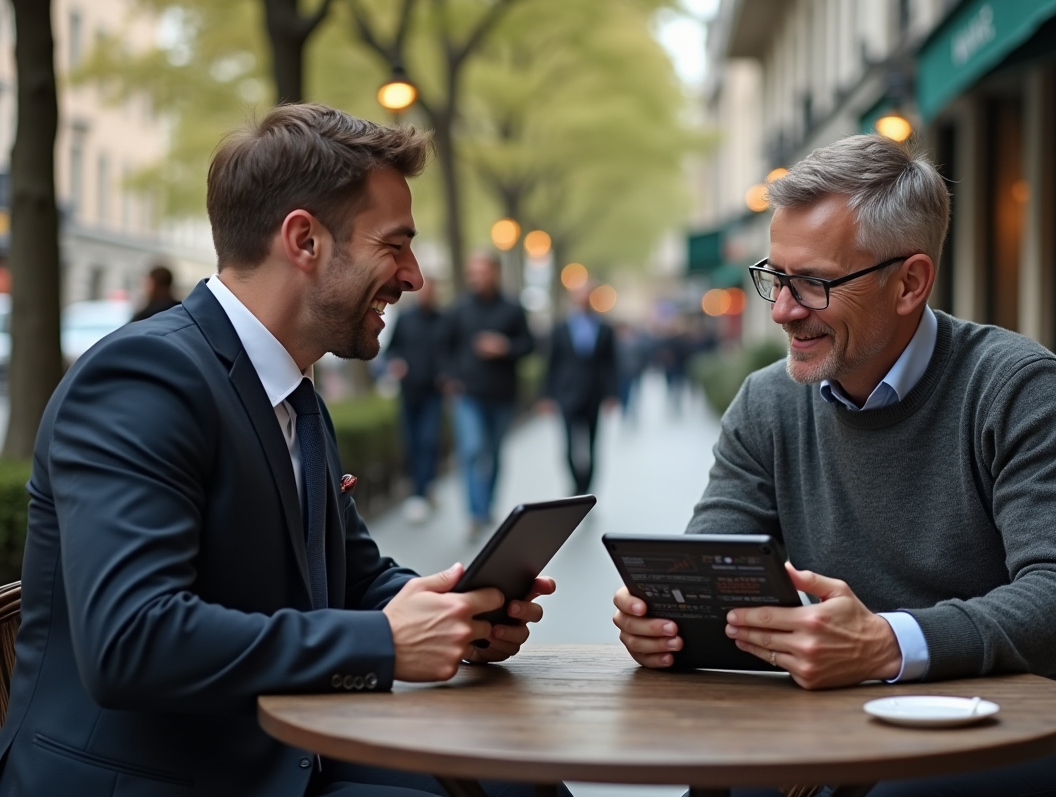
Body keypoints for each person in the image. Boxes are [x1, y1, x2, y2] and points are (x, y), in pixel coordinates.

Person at [0, 104, 563, 797]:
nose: (413, 276)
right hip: (156, 776)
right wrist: (385, 645)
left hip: (273, 748)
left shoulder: (294, 394)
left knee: (524, 780)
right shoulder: (142, 380)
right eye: (395, 245)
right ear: (305, 240)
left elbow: (351, 582)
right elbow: (131, 641)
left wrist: (455, 614)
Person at [612, 134, 1056, 797]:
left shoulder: (1014, 384)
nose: (781, 310)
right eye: (776, 278)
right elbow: (717, 561)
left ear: (910, 283)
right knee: (725, 782)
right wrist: (670, 618)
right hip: (841, 730)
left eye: (813, 283)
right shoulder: (768, 401)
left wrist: (888, 644)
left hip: (1040, 733)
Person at [441, 253, 533, 538]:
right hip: (468, 395)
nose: (476, 277)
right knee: (471, 450)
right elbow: (444, 346)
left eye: (482, 271)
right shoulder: (459, 309)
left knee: (492, 453)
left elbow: (530, 345)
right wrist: (451, 377)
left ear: (495, 272)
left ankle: (488, 504)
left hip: (502, 395)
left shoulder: (512, 309)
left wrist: (505, 347)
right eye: (473, 272)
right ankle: (475, 514)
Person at [540, 284, 618, 495]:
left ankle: (587, 490)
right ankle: (575, 485)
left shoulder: (605, 328)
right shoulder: (560, 328)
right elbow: (551, 363)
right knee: (568, 447)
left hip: (594, 394)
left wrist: (612, 394)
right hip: (567, 394)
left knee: (592, 447)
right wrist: (546, 395)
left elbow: (610, 364)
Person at [386, 279, 446, 524]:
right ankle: (420, 488)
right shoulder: (405, 319)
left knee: (428, 441)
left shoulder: (444, 321)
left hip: (433, 393)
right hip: (408, 392)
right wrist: (396, 363)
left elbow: (452, 352)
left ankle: (421, 493)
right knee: (411, 442)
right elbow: (392, 350)